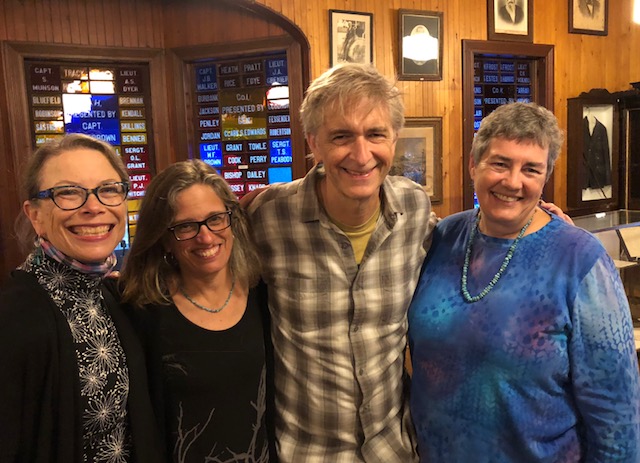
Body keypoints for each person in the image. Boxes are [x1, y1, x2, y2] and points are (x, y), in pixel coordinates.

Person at [408, 102, 640, 462]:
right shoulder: (443, 236)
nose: (513, 182)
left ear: (545, 177)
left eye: (530, 169)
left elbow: (615, 409)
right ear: (474, 164)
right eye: (500, 163)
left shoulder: (579, 259)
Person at [247, 63, 435, 462]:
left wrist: (539, 222)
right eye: (341, 136)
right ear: (313, 142)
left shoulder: (415, 208)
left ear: (394, 138)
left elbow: (471, 240)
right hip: (306, 452)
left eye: (375, 134)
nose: (361, 154)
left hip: (394, 450)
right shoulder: (268, 216)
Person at [0, 134, 164, 462]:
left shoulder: (115, 298)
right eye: (68, 193)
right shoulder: (12, 319)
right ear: (35, 215)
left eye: (108, 189)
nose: (94, 207)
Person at [119, 160, 273, 463]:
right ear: (164, 237)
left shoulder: (263, 293)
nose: (205, 237)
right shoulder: (141, 311)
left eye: (216, 219)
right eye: (186, 226)